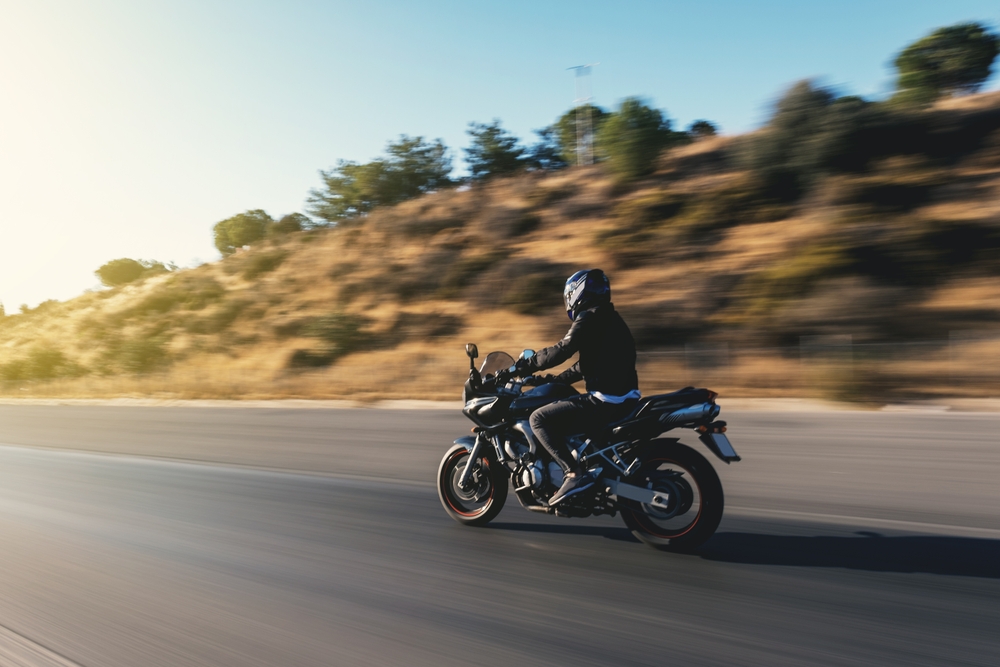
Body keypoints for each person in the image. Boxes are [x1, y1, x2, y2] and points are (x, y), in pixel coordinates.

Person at [514, 269, 640, 505]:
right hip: (626, 398)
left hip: (605, 401)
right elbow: (585, 366)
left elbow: (563, 349)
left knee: (538, 419)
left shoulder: (589, 317)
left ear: (577, 293)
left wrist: (526, 365)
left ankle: (574, 473)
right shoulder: (611, 319)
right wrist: (551, 381)